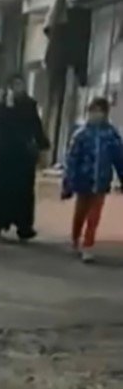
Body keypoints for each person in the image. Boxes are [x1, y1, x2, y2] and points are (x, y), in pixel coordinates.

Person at [0, 74, 50, 241]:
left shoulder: (29, 105)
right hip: (2, 154)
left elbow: (36, 126)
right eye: (14, 85)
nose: (18, 88)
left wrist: (42, 145)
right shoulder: (0, 106)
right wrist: (5, 106)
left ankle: (24, 226)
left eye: (20, 84)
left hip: (22, 155)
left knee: (23, 192)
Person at [62, 96, 123, 263]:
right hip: (83, 180)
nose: (96, 114)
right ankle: (75, 237)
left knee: (94, 215)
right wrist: (68, 182)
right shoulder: (81, 134)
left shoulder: (111, 135)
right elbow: (72, 159)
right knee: (80, 213)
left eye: (99, 111)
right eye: (93, 110)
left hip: (102, 181)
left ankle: (88, 244)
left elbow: (119, 158)